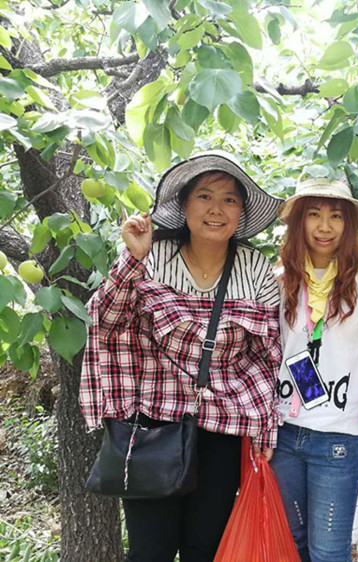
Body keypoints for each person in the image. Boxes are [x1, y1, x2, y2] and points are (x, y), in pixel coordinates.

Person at [79, 151, 283, 562]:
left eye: (229, 199)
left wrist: (265, 429)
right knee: (149, 552)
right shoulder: (153, 258)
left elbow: (266, 357)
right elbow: (107, 319)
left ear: (241, 213)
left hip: (222, 429)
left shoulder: (256, 269)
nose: (216, 209)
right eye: (205, 196)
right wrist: (132, 258)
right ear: (185, 205)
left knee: (204, 550)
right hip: (153, 425)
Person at [270, 177, 358, 562]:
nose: (324, 227)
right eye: (314, 215)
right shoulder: (279, 280)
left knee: (328, 552)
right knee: (293, 545)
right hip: (285, 432)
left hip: (339, 435)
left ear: (348, 225)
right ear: (298, 222)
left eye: (335, 216)